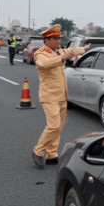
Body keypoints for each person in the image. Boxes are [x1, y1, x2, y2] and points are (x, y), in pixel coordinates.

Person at [32, 24, 91, 168]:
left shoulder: (58, 51)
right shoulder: (41, 53)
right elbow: (44, 64)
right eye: (55, 38)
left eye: (59, 38)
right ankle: (38, 151)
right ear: (47, 40)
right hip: (49, 96)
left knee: (59, 127)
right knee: (53, 126)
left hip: (62, 96)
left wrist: (84, 49)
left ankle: (52, 154)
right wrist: (61, 58)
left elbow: (71, 50)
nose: (58, 41)